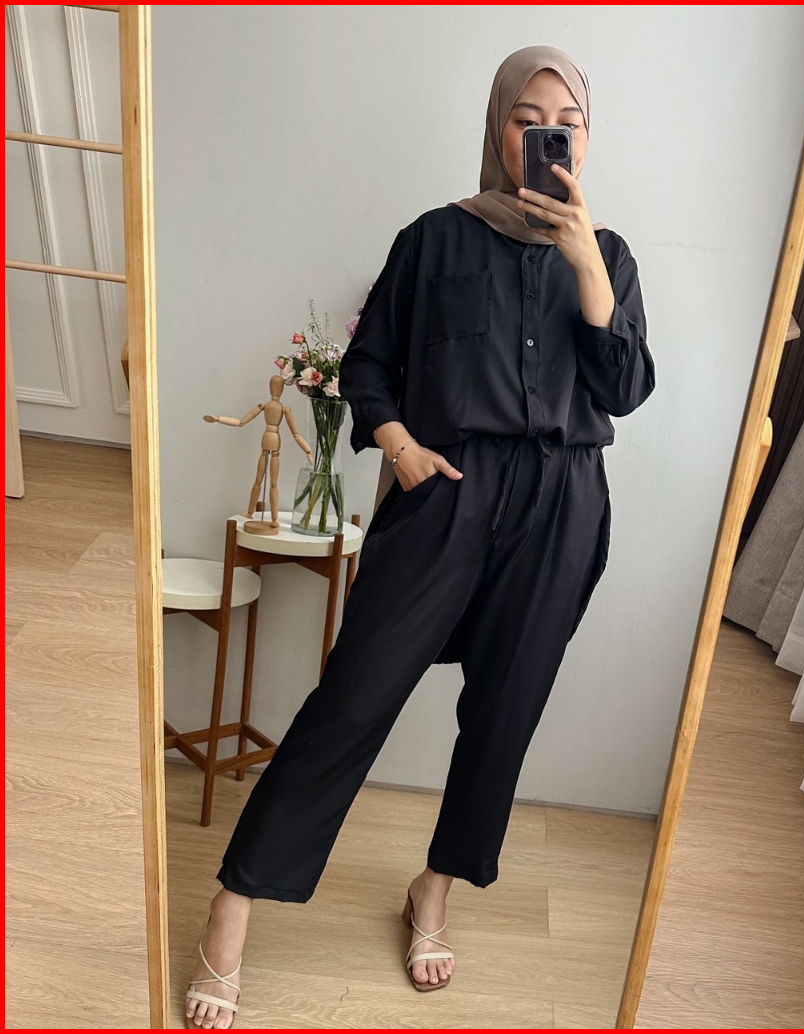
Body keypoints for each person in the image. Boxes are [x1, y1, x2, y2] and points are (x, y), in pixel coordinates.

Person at [184, 44, 655, 1029]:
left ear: (586, 138)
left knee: (504, 712)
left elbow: (623, 389)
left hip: (561, 504)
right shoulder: (435, 239)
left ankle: (432, 890)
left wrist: (583, 265)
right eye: (526, 118)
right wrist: (395, 445)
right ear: (497, 127)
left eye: (565, 122)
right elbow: (368, 367)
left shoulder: (608, 254)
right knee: (353, 696)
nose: (546, 136)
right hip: (445, 493)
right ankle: (234, 901)